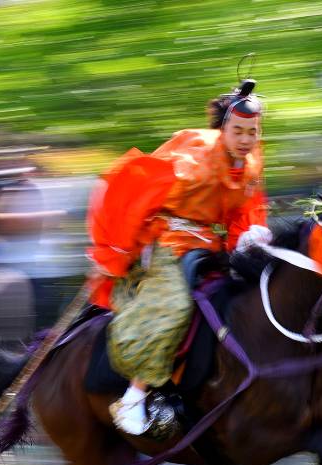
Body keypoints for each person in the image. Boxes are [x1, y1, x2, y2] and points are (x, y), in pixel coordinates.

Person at [88, 78, 271, 436]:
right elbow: (142, 188)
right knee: (175, 305)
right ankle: (134, 396)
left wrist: (251, 235)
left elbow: (248, 209)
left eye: (253, 132)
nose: (247, 139)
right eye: (239, 131)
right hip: (171, 242)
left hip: (215, 248)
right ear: (223, 128)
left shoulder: (251, 163)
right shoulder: (195, 151)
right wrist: (119, 247)